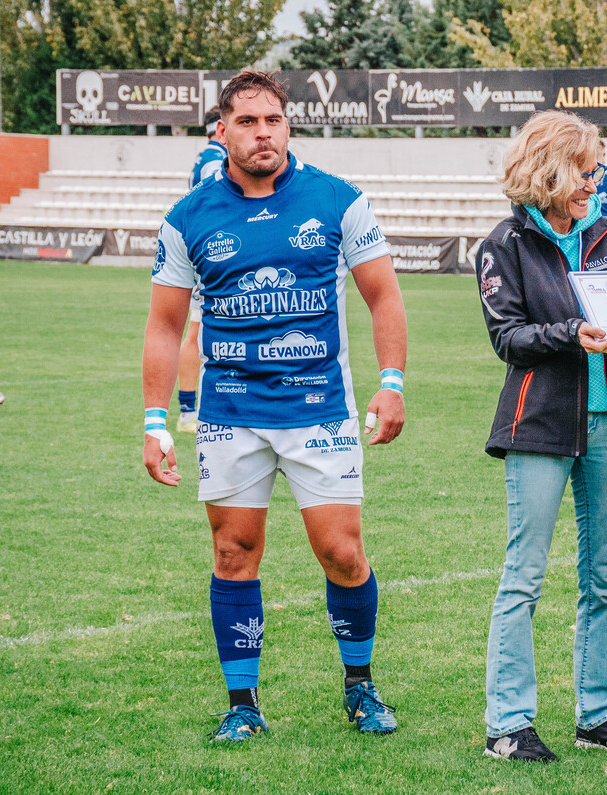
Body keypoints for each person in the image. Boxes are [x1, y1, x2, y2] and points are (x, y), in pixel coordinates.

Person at [142, 70, 408, 743]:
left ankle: (361, 685)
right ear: (220, 132)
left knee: (342, 551)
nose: (264, 132)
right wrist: (156, 419)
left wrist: (393, 381)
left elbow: (383, 296)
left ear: (288, 125)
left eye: (275, 120)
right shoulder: (189, 218)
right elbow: (166, 328)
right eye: (249, 121)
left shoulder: (337, 200)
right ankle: (243, 702)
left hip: (319, 411)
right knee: (234, 550)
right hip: (230, 413)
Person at [476, 110, 607, 763]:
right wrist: (570, 333)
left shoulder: (604, 233)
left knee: (601, 576)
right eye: (585, 169)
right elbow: (509, 338)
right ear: (550, 167)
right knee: (523, 576)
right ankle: (509, 722)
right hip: (540, 423)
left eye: (596, 169)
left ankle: (597, 713)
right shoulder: (503, 244)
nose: (594, 181)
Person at [176, 107, 229, 433]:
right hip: (212, 257)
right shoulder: (214, 162)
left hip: (204, 253)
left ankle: (190, 410)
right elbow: (215, 207)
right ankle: (186, 413)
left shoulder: (204, 156)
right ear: (221, 128)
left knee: (200, 334)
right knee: (195, 335)